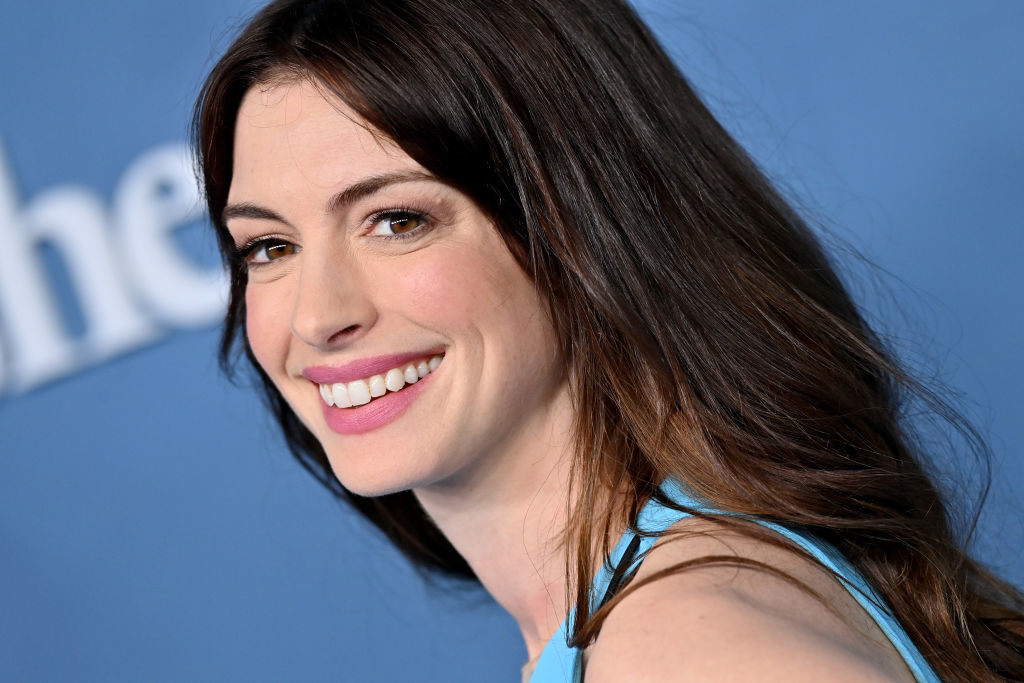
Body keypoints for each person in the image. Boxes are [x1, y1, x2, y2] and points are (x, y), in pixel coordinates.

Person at [192, 0, 1024, 680]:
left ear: (577, 228)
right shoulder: (671, 601)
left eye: (397, 219)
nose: (315, 316)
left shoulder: (677, 648)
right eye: (269, 247)